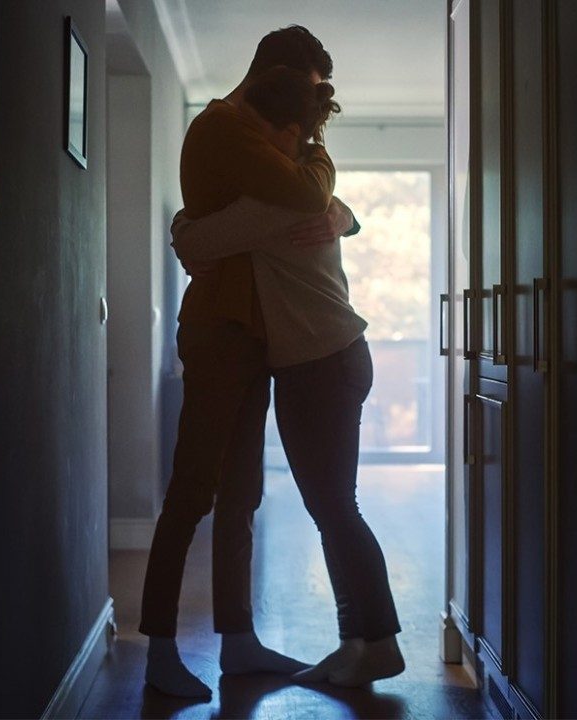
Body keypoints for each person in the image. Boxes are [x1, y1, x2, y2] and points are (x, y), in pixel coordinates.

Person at [138, 26, 360, 699]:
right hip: (220, 331)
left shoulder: (266, 134)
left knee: (243, 493)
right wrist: (325, 188)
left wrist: (339, 212)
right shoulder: (225, 128)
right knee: (193, 489)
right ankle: (159, 650)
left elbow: (303, 205)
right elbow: (296, 199)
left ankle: (238, 643)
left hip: (256, 331)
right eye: (308, 98)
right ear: (279, 77)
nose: (310, 119)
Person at [170, 66, 405, 687]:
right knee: (333, 505)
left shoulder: (276, 201)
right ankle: (361, 642)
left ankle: (375, 642)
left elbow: (193, 242)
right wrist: (342, 211)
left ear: (288, 133)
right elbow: (330, 205)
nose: (254, 154)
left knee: (335, 506)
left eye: (263, 137)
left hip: (323, 363)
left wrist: (182, 225)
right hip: (326, 360)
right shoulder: (306, 192)